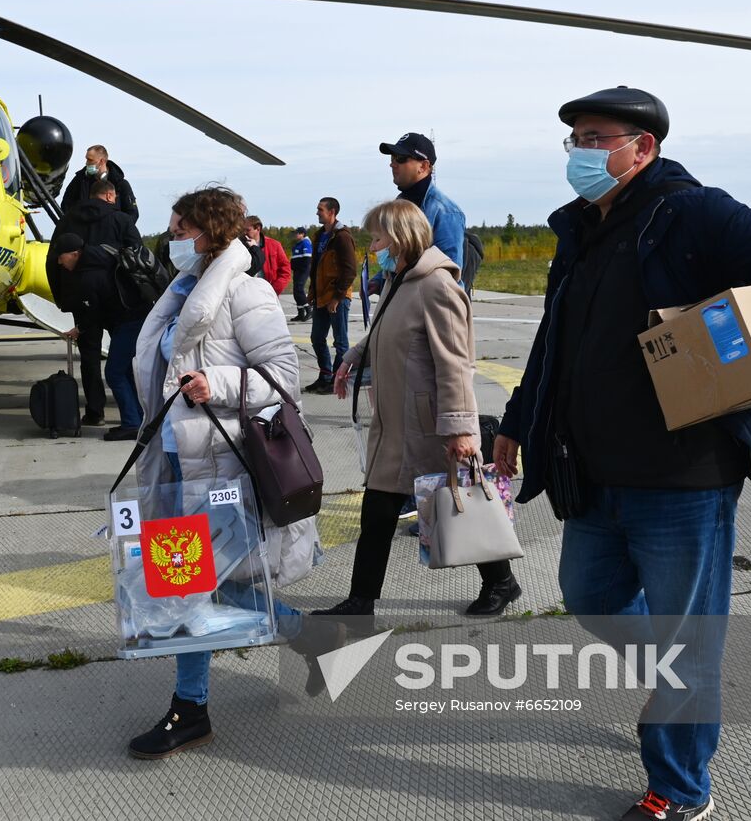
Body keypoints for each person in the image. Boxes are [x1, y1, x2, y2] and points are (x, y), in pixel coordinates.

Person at [492, 86, 751, 821]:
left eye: (596, 137)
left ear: (644, 148)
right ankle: (681, 686)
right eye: (573, 138)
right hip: (594, 475)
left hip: (681, 476)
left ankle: (679, 787)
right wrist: (517, 419)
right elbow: (555, 340)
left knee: (684, 639)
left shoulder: (687, 213)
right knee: (593, 598)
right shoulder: (584, 231)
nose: (579, 151)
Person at [127, 185, 328, 759]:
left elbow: (284, 377)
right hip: (173, 458)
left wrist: (215, 385)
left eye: (178, 230)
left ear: (208, 232)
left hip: (220, 464)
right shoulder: (182, 291)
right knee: (210, 583)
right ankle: (312, 635)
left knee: (188, 584)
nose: (171, 241)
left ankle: (190, 710)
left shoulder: (246, 291)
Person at [312, 199, 521, 620]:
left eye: (378, 237)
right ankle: (361, 601)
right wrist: (353, 356)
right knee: (378, 511)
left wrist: (461, 429)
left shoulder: (436, 286)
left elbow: (457, 362)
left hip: (428, 424)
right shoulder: (399, 279)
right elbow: (383, 331)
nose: (373, 247)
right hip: (395, 422)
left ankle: (501, 580)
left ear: (402, 237)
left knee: (462, 503)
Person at [48, 179, 144, 430]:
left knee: (89, 358)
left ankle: (94, 411)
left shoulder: (67, 221)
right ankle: (136, 409)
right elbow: (138, 257)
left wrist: (63, 300)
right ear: (110, 196)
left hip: (83, 298)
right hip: (119, 303)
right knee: (125, 360)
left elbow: (53, 260)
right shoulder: (121, 220)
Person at [376, 132, 469, 290]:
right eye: (392, 159)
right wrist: (378, 281)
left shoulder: (445, 212)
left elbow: (448, 275)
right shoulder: (399, 205)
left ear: (424, 166)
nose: (392, 164)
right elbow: (396, 259)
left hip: (427, 307)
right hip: (402, 302)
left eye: (400, 158)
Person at [303, 197, 357, 394]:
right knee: (317, 338)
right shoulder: (319, 236)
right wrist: (313, 292)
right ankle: (325, 376)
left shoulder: (342, 237)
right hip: (321, 296)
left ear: (332, 212)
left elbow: (350, 270)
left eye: (320, 209)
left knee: (340, 341)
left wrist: (337, 297)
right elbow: (316, 268)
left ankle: (336, 380)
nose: (317, 212)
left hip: (337, 297)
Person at [61, 144, 137, 220]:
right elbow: (66, 205)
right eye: (86, 159)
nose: (87, 163)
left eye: (90, 160)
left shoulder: (121, 185)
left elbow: (132, 213)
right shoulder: (79, 181)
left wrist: (116, 228)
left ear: (102, 161)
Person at [244, 215, 291, 296]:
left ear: (258, 228)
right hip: (246, 292)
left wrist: (273, 290)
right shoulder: (240, 246)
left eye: (248, 230)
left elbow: (285, 271)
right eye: (243, 230)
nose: (244, 233)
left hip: (268, 293)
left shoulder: (274, 245)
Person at [289, 226, 312, 322]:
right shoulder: (297, 244)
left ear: (302, 234)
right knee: (295, 291)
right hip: (297, 270)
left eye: (297, 233)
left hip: (303, 270)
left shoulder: (306, 243)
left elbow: (307, 259)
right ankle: (300, 313)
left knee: (299, 288)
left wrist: (301, 269)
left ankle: (309, 310)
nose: (295, 235)